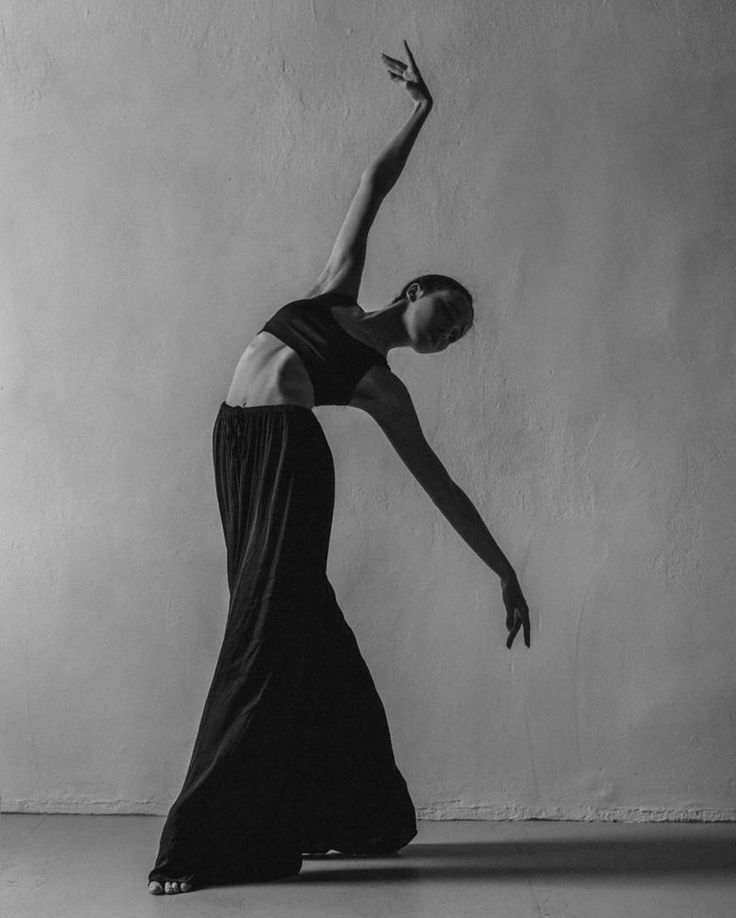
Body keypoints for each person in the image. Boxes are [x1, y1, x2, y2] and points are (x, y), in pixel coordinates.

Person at [148, 40, 531, 896]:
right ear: (413, 291)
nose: (452, 329)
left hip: (288, 459)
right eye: (449, 310)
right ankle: (360, 812)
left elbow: (444, 488)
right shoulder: (336, 291)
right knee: (303, 627)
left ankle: (201, 843)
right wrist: (421, 110)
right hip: (235, 448)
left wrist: (503, 569)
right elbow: (371, 184)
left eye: (461, 331)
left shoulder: (384, 393)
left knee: (257, 635)